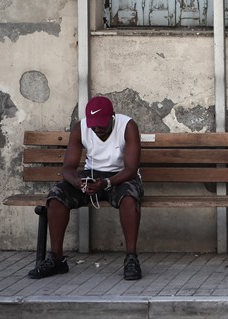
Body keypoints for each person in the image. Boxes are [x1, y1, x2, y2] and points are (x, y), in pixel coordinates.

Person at [28, 96, 144, 280]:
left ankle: (131, 258)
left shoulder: (127, 126)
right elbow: (67, 168)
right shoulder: (80, 128)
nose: (97, 129)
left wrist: (107, 183)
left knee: (129, 198)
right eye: (94, 125)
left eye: (102, 125)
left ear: (112, 117)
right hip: (92, 175)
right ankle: (56, 259)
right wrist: (78, 183)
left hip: (121, 176)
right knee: (57, 196)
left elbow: (131, 168)